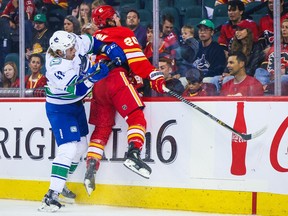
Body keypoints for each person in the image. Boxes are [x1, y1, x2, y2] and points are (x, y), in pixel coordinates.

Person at [38, 30, 126, 212]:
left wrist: (108, 48)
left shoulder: (71, 42)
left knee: (81, 148)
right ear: (60, 53)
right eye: (70, 49)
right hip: (60, 108)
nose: (75, 50)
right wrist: (94, 77)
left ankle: (60, 186)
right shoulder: (56, 67)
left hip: (75, 106)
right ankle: (51, 195)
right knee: (69, 147)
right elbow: (76, 90)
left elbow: (93, 43)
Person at [84, 5, 166, 196]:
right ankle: (133, 154)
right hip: (115, 79)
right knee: (137, 117)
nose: (119, 19)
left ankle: (90, 168)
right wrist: (154, 75)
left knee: (102, 128)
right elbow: (137, 60)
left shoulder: (95, 39)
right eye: (116, 17)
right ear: (111, 19)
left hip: (97, 85)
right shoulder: (122, 32)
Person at [255, 18, 288, 95]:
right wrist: (271, 72)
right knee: (259, 71)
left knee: (283, 79)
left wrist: (285, 71)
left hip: (284, 75)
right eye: (282, 27)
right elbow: (266, 62)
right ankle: (264, 91)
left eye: (287, 28)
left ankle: (268, 88)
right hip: (271, 75)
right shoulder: (275, 47)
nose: (284, 30)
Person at [193, 19, 226, 90]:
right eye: (200, 30)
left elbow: (218, 70)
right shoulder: (195, 47)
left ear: (212, 32)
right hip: (194, 78)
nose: (202, 32)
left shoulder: (217, 49)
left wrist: (201, 76)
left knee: (205, 80)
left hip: (209, 78)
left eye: (205, 30)